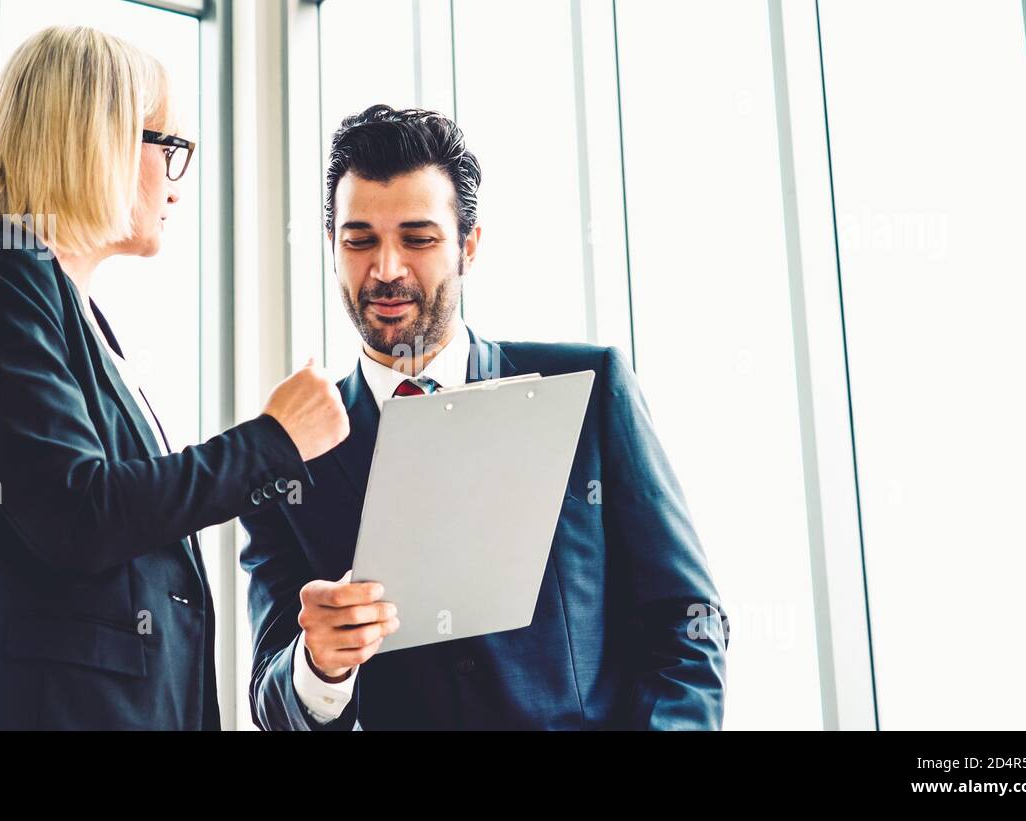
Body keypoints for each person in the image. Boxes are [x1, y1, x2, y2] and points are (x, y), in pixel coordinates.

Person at [0, 26, 348, 730]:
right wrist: (272, 441)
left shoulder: (65, 311)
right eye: (170, 149)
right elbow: (78, 513)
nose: (176, 179)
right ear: (96, 140)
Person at [240, 105, 729, 730]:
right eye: (359, 239)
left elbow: (687, 619)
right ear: (332, 248)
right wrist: (319, 666)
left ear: (469, 245)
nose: (386, 270)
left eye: (418, 239)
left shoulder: (589, 388)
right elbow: (272, 703)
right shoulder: (285, 457)